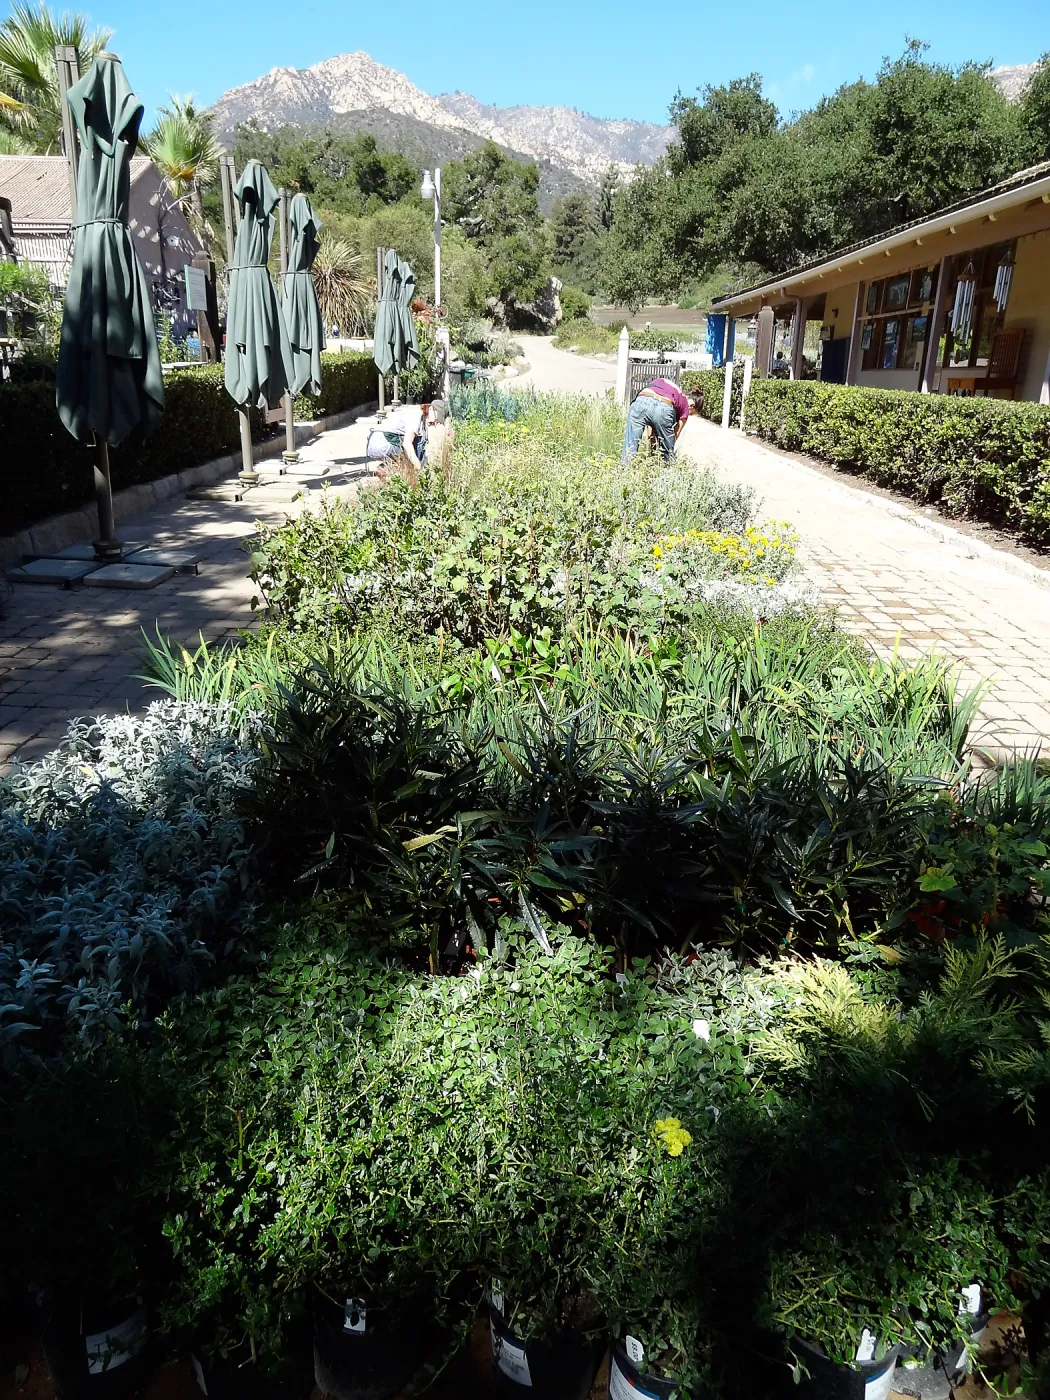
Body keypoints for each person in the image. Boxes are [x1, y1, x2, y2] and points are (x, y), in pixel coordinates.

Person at [622, 378, 697, 461]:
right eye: (691, 413)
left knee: (630, 446)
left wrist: (653, 452)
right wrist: (662, 452)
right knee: (668, 454)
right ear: (692, 406)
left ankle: (624, 469)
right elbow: (674, 436)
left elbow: (651, 429)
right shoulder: (685, 405)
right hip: (664, 405)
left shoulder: (670, 386)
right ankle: (668, 471)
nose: (688, 414)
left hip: (641, 399)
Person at [366, 402, 429, 472]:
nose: (435, 423)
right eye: (436, 419)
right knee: (417, 444)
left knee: (414, 442)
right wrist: (418, 465)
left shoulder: (412, 412)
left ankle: (386, 469)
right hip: (382, 444)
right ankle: (414, 473)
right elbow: (407, 444)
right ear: (432, 409)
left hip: (374, 444)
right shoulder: (416, 416)